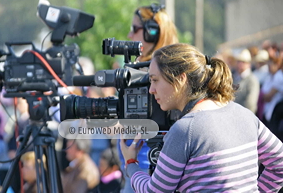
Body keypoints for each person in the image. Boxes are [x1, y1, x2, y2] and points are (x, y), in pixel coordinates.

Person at [120, 43, 283, 192]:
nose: (151, 90)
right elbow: (280, 164)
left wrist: (131, 164)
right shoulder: (246, 115)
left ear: (180, 79)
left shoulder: (185, 130)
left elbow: (154, 191)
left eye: (155, 80)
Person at [118, 3, 179, 192]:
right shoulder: (143, 69)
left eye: (134, 29)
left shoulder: (159, 74)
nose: (129, 36)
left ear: (151, 33)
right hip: (135, 165)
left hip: (145, 167)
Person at [233, 48, 260, 113]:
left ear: (249, 64)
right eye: (239, 61)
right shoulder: (234, 77)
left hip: (244, 116)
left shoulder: (252, 80)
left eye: (243, 62)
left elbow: (251, 104)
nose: (240, 64)